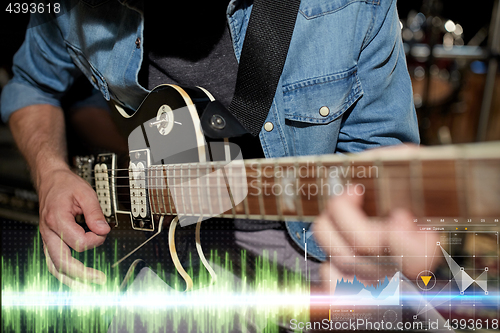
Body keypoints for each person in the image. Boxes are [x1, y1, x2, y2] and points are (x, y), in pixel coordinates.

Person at [0, 0, 432, 331]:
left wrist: (374, 246)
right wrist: (51, 173)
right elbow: (31, 85)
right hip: (168, 247)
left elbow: (380, 164)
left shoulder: (352, 8)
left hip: (312, 246)